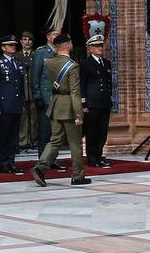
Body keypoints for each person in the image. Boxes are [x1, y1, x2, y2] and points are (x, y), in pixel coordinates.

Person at [31, 33, 91, 187]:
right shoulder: (72, 65)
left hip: (55, 104)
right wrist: (79, 113)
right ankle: (78, 175)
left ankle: (40, 167)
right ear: (67, 45)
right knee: (75, 143)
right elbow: (75, 92)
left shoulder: (49, 62)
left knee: (55, 140)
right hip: (69, 106)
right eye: (70, 43)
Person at [0, 35, 26, 174]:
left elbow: (20, 85)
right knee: (4, 135)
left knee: (14, 135)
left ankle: (11, 161)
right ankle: (3, 162)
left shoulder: (18, 63)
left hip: (16, 104)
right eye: (9, 45)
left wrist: (23, 101)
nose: (13, 47)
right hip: (3, 105)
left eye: (14, 45)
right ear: (3, 47)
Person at [80, 34, 114, 168]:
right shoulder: (85, 63)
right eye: (97, 46)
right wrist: (84, 103)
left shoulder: (106, 63)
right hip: (92, 102)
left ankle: (99, 155)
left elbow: (109, 83)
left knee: (102, 131)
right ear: (90, 48)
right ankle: (92, 157)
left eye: (101, 45)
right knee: (91, 131)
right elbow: (82, 84)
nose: (100, 48)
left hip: (104, 102)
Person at [31, 30, 61, 166]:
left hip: (58, 97)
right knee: (45, 130)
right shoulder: (41, 52)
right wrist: (37, 96)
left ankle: (53, 159)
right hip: (45, 97)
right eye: (54, 34)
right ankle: (44, 160)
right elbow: (35, 75)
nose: (57, 37)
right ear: (48, 37)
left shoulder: (61, 52)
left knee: (56, 131)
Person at [17, 32, 37, 153]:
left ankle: (33, 140)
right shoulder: (16, 55)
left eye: (29, 40)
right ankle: (23, 141)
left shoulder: (36, 55)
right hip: (21, 91)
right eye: (24, 39)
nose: (27, 42)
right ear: (21, 41)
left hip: (33, 90)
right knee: (22, 117)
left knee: (34, 118)